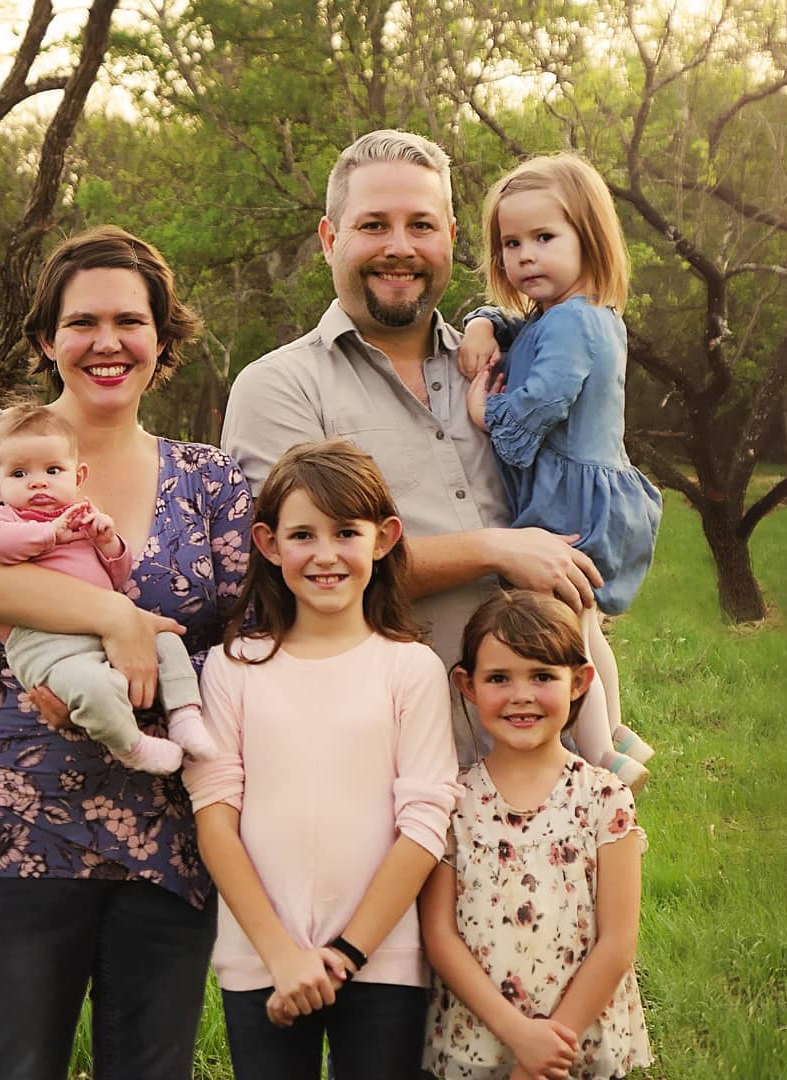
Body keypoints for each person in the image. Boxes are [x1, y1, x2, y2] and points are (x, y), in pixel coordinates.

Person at [0, 225, 251, 1079]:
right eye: (82, 322)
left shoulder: (208, 478)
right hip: (11, 831)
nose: (108, 342)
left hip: (169, 843)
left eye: (131, 321)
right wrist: (116, 617)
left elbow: (254, 630)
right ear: (45, 341)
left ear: (162, 340)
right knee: (19, 1066)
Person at [221, 130, 604, 764]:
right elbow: (292, 575)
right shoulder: (280, 388)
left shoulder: (507, 369)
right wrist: (493, 547)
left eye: (421, 226)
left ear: (451, 238)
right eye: (374, 225)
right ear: (329, 239)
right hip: (384, 765)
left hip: (551, 762)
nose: (400, 248)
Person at [183, 439, 461, 1080]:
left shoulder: (409, 668)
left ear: (385, 538)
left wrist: (344, 955)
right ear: (269, 543)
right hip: (262, 961)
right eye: (302, 534)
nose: (326, 554)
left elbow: (423, 826)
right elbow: (215, 819)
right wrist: (281, 955)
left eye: (346, 532)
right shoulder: (235, 669)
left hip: (384, 958)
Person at [459, 153, 662, 793]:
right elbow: (517, 328)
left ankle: (601, 756)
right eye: (512, 243)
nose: (525, 256)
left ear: (588, 239)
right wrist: (483, 319)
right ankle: (617, 731)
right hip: (595, 493)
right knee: (582, 621)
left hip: (571, 503)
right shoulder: (575, 314)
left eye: (544, 238)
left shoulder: (573, 321)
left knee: (565, 627)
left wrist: (486, 410)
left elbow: (546, 399)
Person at [420, 590, 651, 1080]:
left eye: (542, 675)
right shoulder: (451, 802)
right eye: (499, 678)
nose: (521, 695)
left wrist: (550, 1048)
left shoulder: (606, 798)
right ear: (467, 684)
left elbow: (618, 940)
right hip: (479, 1040)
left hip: (578, 1047)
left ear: (579, 681)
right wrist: (520, 1036)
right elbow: (439, 934)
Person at [0, 402, 218, 774]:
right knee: (92, 687)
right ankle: (131, 746)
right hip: (45, 642)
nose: (38, 482)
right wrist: (50, 534)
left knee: (168, 643)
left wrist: (109, 543)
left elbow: (116, 577)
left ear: (78, 475)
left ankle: (185, 715)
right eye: (20, 473)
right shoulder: (1, 517)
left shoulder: (81, 515)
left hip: (105, 633)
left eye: (53, 470)